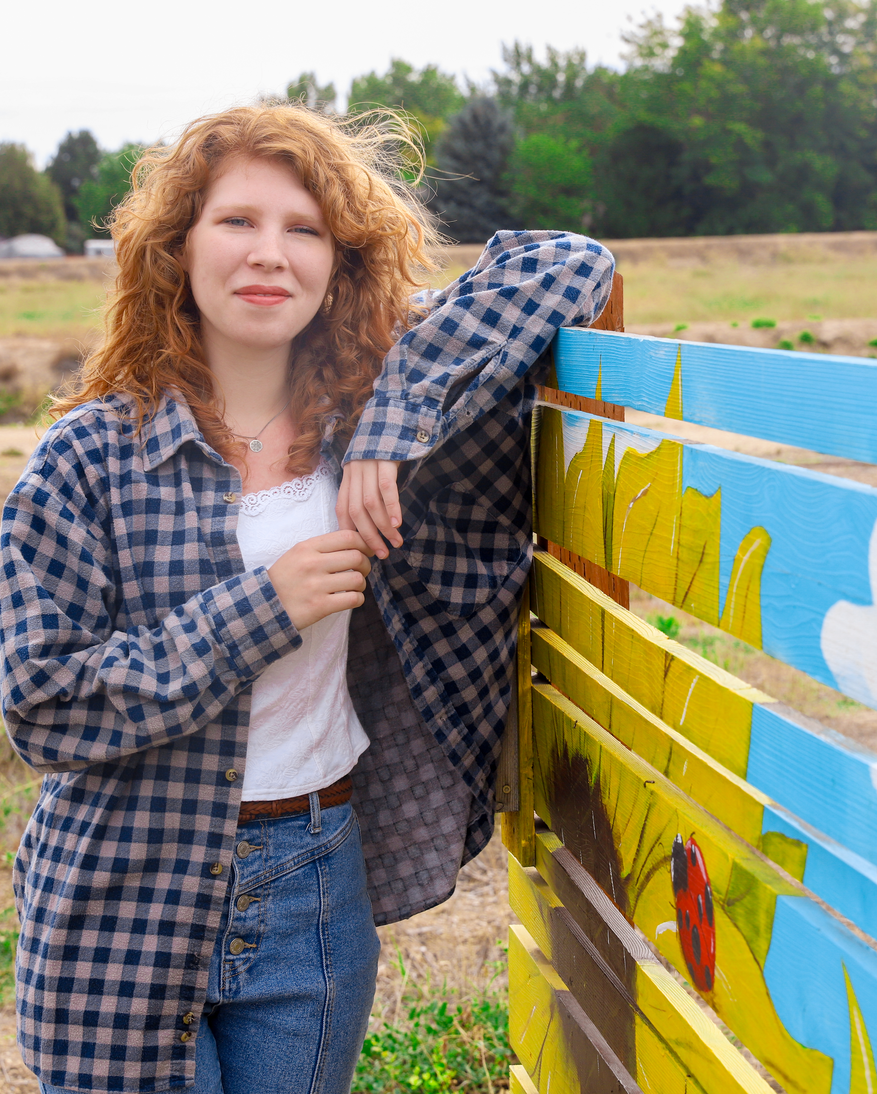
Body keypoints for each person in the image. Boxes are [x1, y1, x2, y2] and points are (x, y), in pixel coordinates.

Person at [0, 103, 614, 1094]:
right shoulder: (92, 457)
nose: (268, 254)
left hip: (313, 877)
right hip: (120, 891)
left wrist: (393, 416)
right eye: (235, 221)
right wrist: (260, 612)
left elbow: (570, 263)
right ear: (177, 247)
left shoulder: (372, 431)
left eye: (304, 228)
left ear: (342, 259)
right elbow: (42, 701)